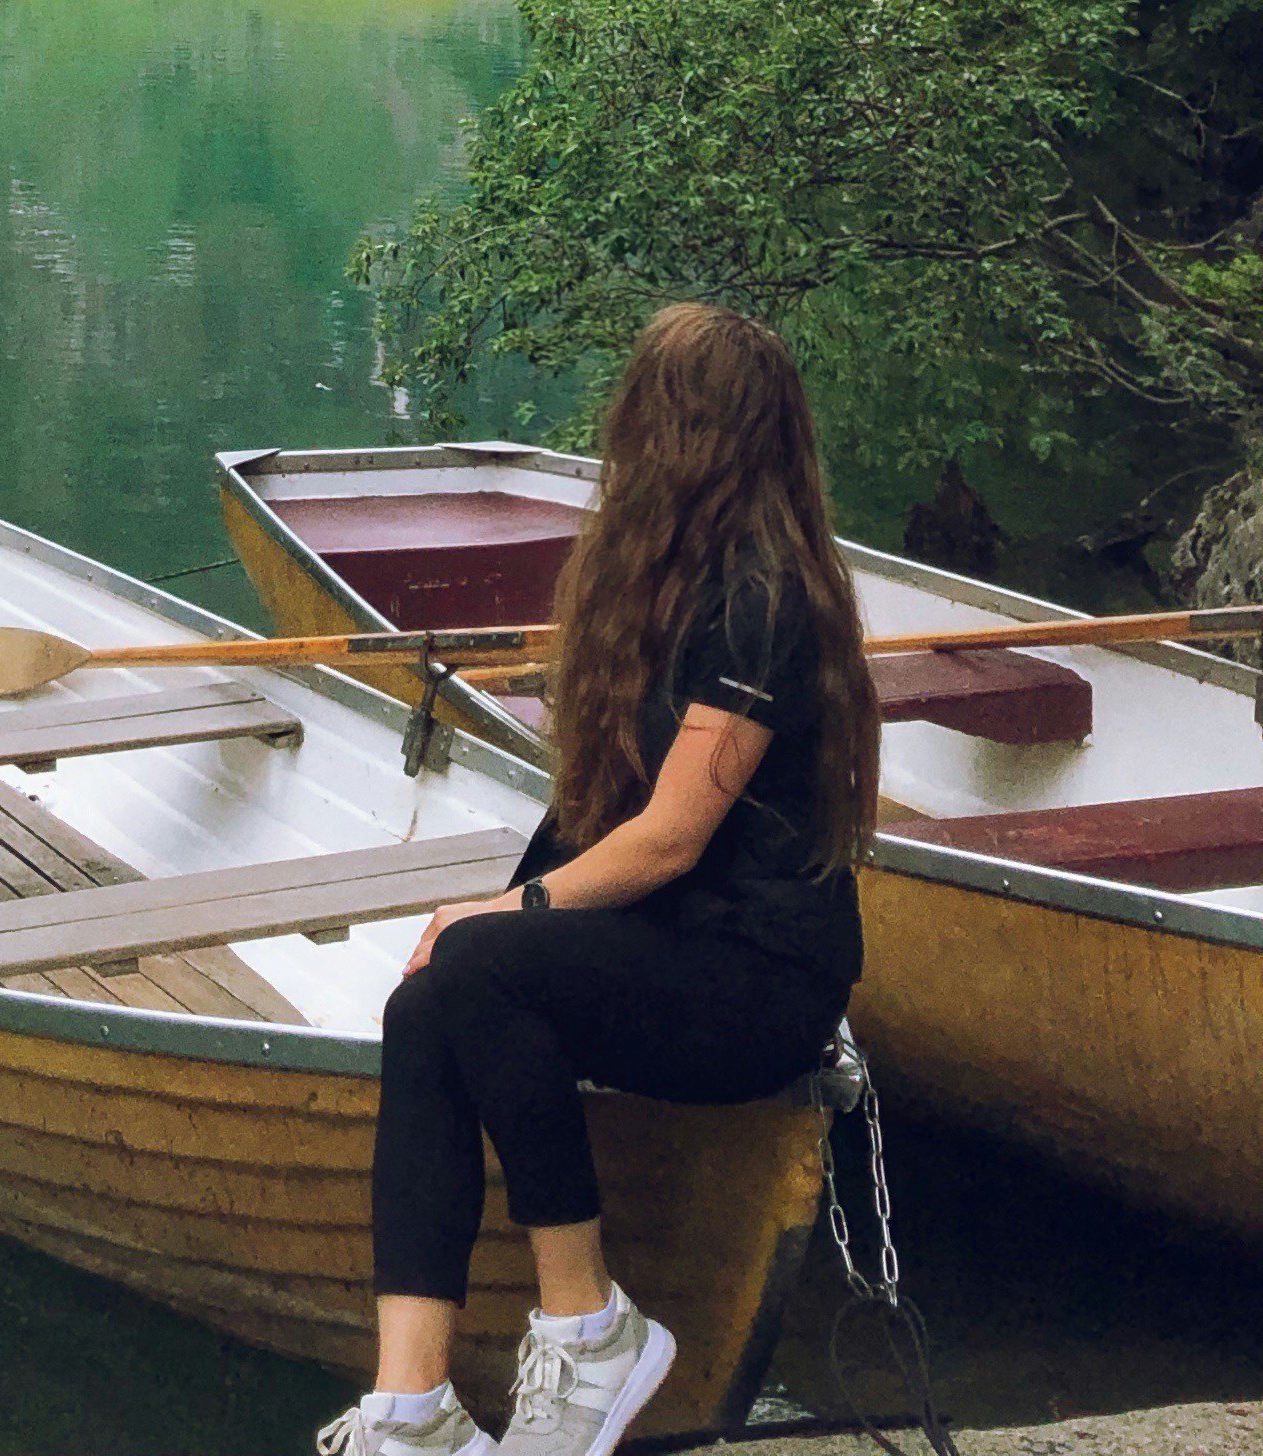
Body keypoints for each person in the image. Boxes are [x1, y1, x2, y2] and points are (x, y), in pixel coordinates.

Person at [317, 305, 879, 1456]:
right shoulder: (659, 578)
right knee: (427, 1000)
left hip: (756, 983)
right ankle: (410, 1411)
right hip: (663, 950)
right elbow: (593, 822)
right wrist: (484, 926)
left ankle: (591, 1327)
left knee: (477, 960)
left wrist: (499, 917)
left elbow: (670, 837)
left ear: (681, 433)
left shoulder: (763, 597)